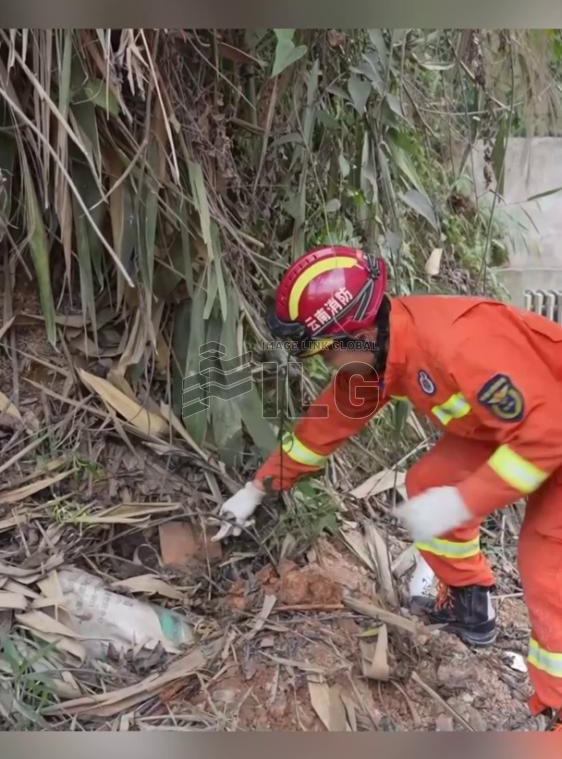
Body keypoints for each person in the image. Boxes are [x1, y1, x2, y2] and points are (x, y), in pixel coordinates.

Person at [213, 244, 562, 729]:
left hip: (551, 426)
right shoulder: (382, 355)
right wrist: (257, 488)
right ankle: (471, 606)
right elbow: (326, 424)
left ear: (357, 331)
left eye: (326, 350)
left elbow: (549, 433)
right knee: (429, 483)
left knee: (547, 562)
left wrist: (465, 500)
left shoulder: (458, 345)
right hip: (509, 428)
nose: (326, 364)